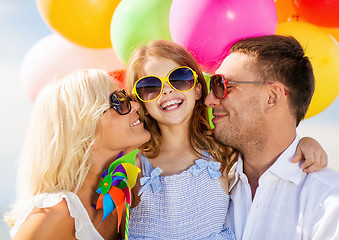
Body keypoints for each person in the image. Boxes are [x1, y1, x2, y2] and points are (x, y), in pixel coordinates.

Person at [126, 39, 328, 240]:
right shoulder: (135, 165)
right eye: (150, 86)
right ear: (140, 103)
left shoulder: (222, 152)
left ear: (197, 89)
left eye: (179, 78)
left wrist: (305, 142)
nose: (167, 90)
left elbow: (265, 143)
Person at [205, 35, 339, 240]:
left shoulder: (330, 203)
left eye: (222, 85)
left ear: (272, 97)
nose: (209, 99)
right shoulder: (205, 183)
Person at [5, 69, 151, 239]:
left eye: (125, 97)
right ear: (86, 133)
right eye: (118, 101)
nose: (136, 105)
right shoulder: (52, 215)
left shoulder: (119, 199)